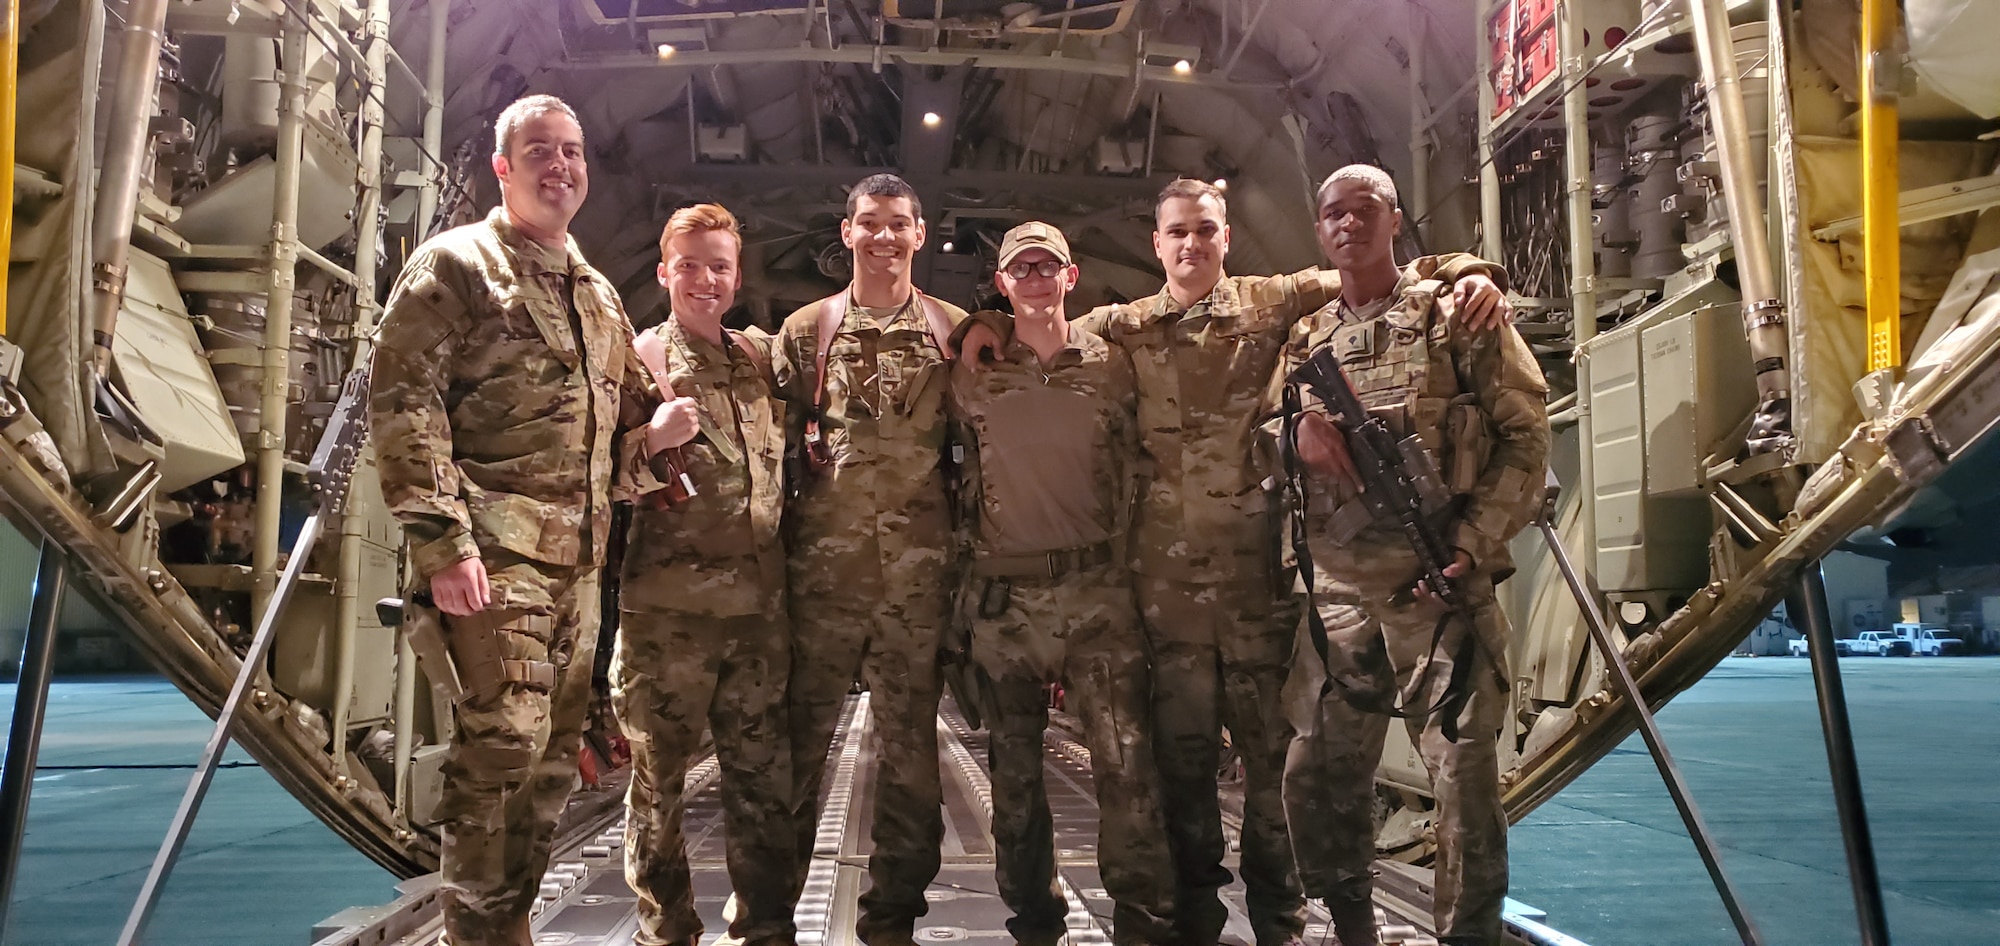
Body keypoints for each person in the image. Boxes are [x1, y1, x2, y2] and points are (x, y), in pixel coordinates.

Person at [969, 178, 1510, 946]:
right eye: (1177, 233)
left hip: (1261, 596)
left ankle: (1278, 926)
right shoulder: (1125, 327)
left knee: (1272, 786)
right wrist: (983, 324)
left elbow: (1380, 268)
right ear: (1155, 245)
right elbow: (1040, 321)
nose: (1191, 245)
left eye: (1205, 230)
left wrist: (1467, 271)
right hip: (1167, 608)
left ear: (1226, 236)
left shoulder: (1274, 302)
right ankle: (1196, 924)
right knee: (1182, 783)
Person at [370, 94, 683, 946]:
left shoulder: (594, 293)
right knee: (500, 751)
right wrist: (441, 541)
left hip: (576, 566)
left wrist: (657, 435)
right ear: (502, 168)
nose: (561, 165)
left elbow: (626, 424)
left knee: (548, 769)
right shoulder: (458, 267)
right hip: (493, 555)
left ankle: (506, 928)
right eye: (539, 150)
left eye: (573, 150)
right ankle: (472, 934)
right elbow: (404, 402)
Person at [1276, 165, 1550, 946]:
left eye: (1364, 211)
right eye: (1332, 214)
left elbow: (1527, 436)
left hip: (1439, 584)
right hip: (1337, 593)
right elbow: (1261, 433)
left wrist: (1471, 542)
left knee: (1463, 777)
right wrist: (1294, 437)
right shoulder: (1305, 337)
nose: (1347, 225)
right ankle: (1351, 922)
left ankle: (1467, 936)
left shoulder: (1455, 313)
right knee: (1318, 774)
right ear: (1319, 229)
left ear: (1395, 220)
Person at [948, 222, 1176, 946]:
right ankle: (1035, 919)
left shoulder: (1114, 361)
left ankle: (1139, 920)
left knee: (1126, 769)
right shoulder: (973, 370)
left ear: (1071, 278)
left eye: (1049, 266)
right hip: (1005, 600)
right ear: (1003, 284)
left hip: (1096, 592)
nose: (1037, 278)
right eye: (1022, 270)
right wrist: (978, 327)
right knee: (1013, 780)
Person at [772, 173, 969, 946]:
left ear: (919, 235)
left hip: (917, 585)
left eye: (898, 225)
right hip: (821, 583)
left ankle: (891, 922)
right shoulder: (805, 333)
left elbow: (981, 455)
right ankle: (768, 916)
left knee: (910, 760)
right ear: (845, 233)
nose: (884, 238)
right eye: (869, 224)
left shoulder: (954, 333)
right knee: (795, 752)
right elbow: (768, 447)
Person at [612, 203, 797, 946]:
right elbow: (597, 479)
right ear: (664, 273)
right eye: (689, 264)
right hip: (668, 620)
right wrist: (650, 442)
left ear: (737, 276)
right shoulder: (638, 361)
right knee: (658, 792)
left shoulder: (757, 360)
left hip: (756, 619)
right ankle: (667, 930)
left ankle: (763, 927)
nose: (704, 279)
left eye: (718, 265)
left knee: (760, 786)